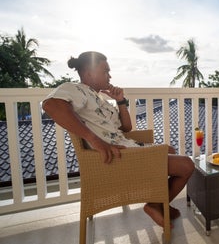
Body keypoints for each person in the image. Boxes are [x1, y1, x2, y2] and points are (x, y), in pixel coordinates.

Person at [42, 51, 194, 228]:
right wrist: (96, 141)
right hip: (119, 157)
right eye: (105, 71)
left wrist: (120, 101)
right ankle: (155, 205)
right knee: (187, 165)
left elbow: (126, 128)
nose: (110, 75)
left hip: (126, 148)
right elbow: (50, 105)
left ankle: (160, 202)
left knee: (170, 150)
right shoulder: (76, 89)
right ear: (89, 72)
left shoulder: (98, 98)